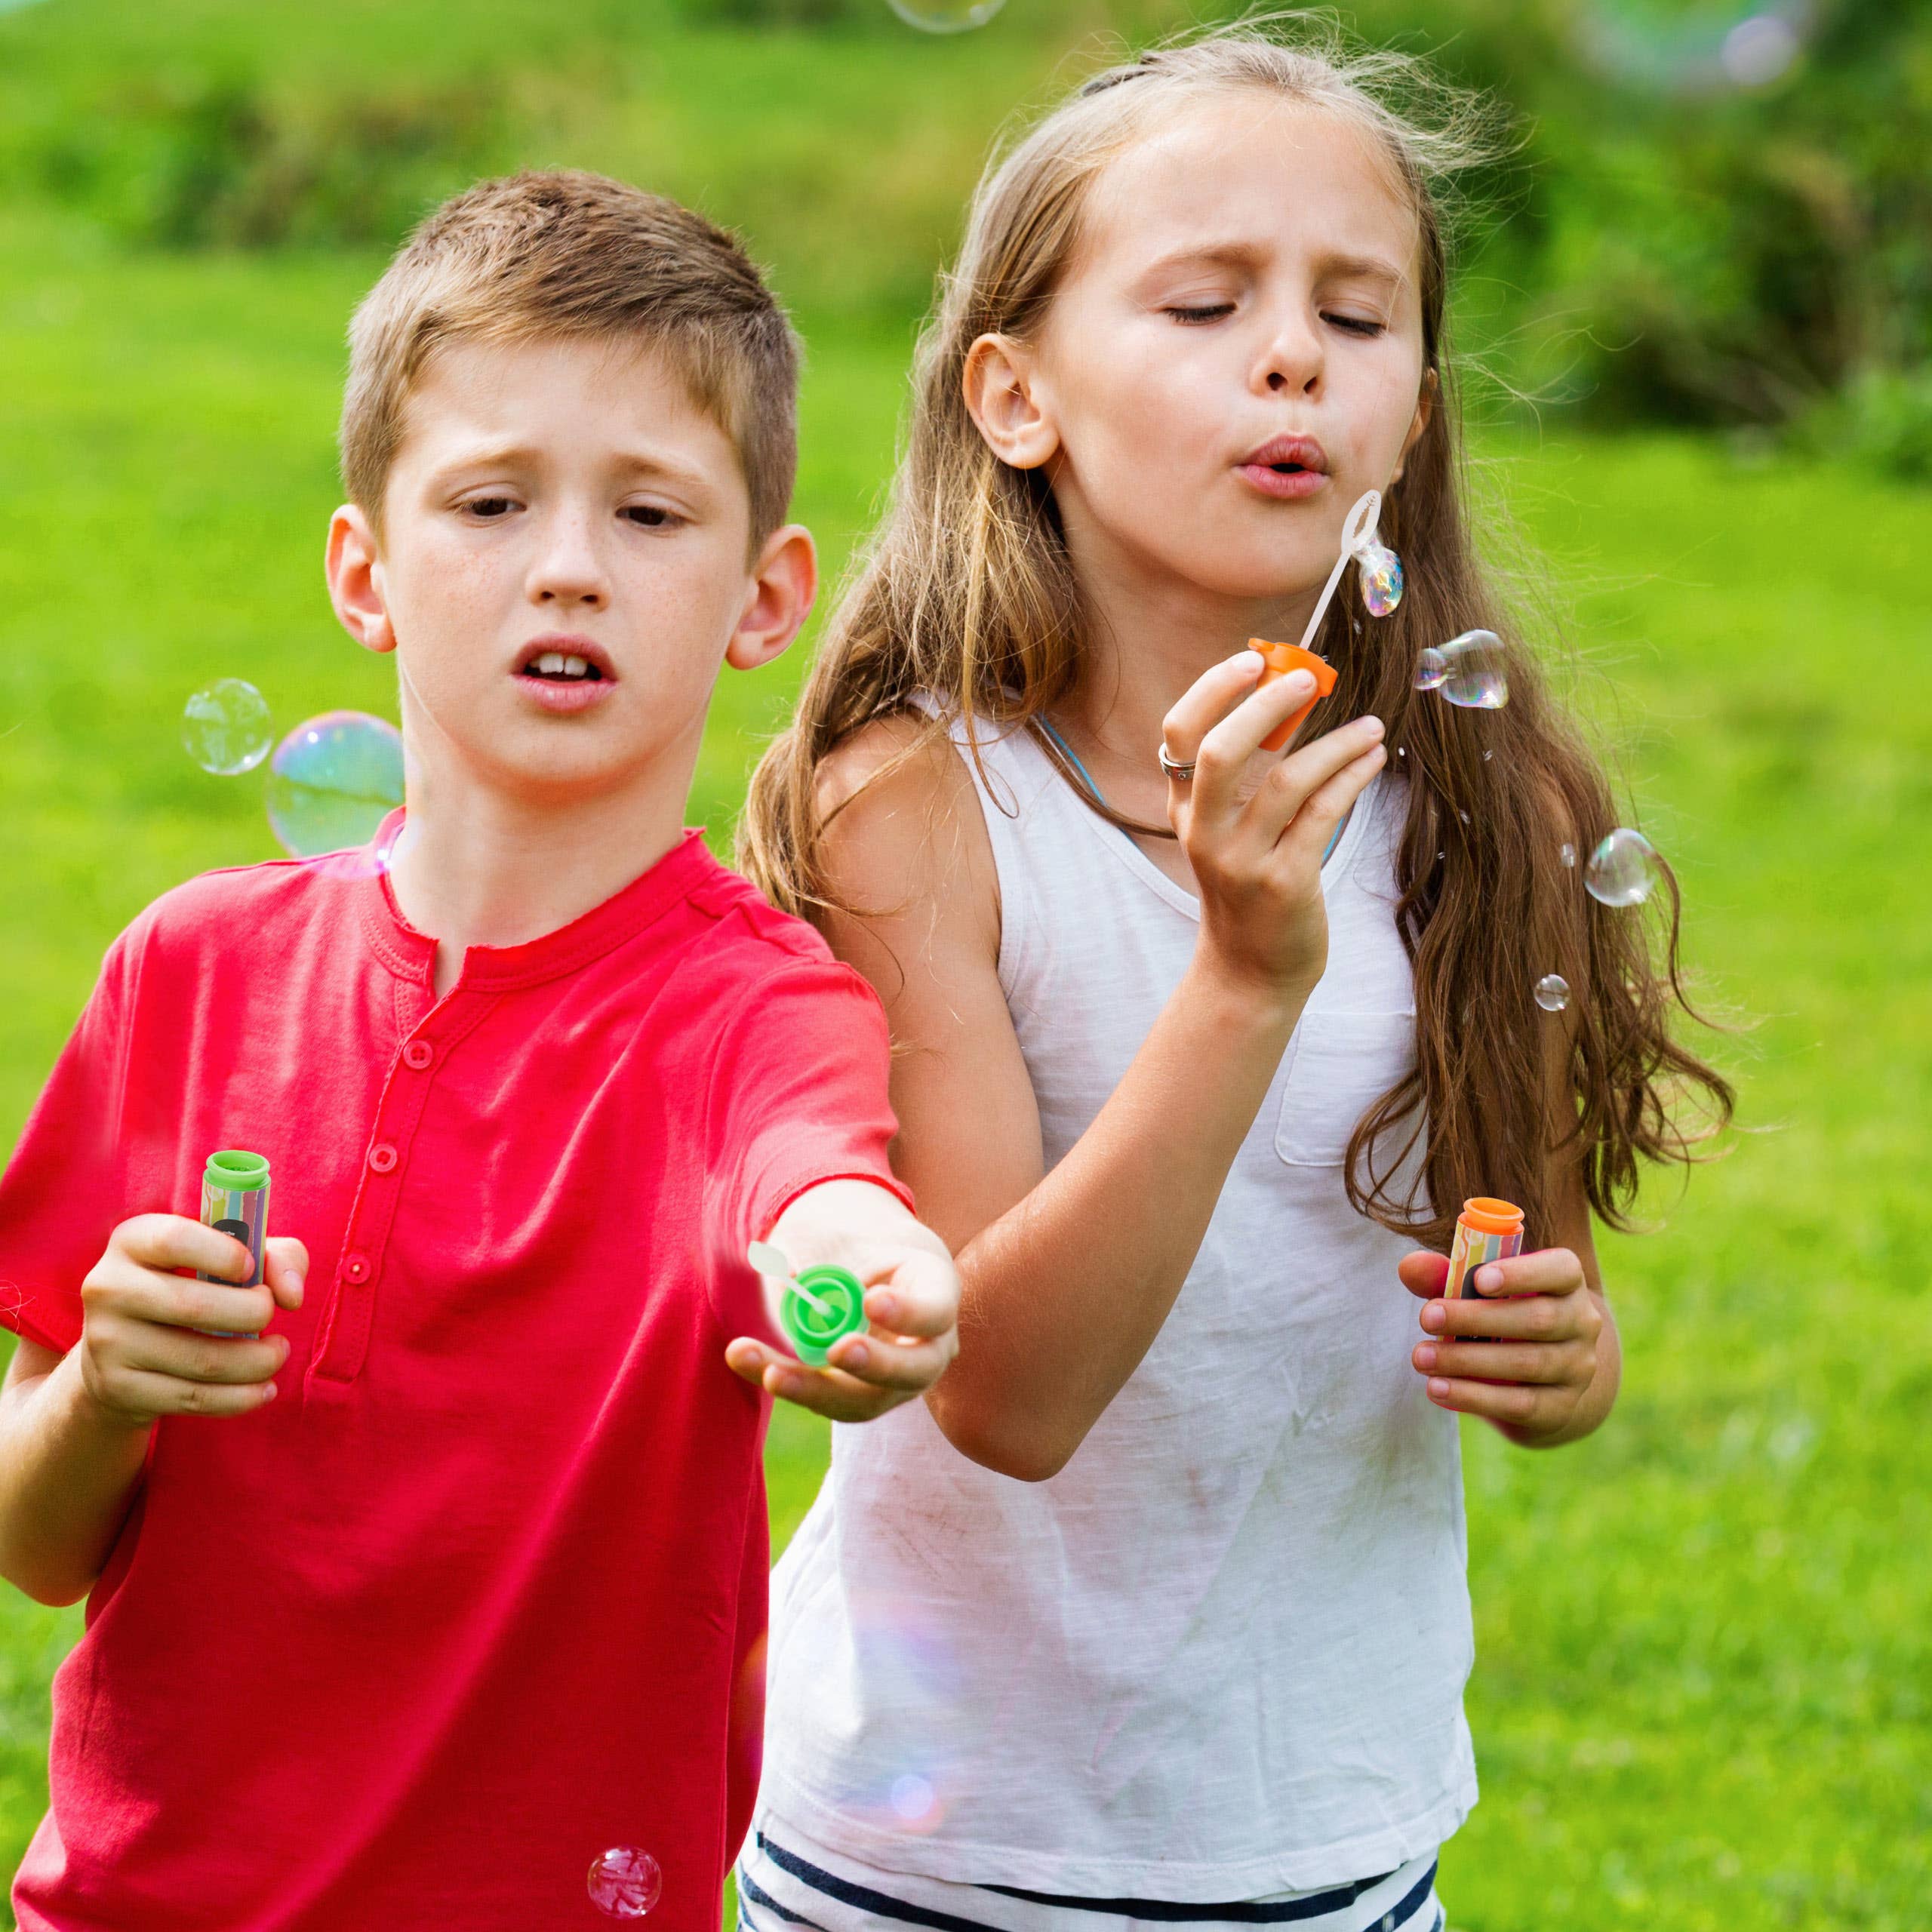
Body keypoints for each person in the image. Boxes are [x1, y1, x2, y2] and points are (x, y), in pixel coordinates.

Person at [734, 26, 1732, 1931]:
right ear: (1013, 396)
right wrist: (1239, 971)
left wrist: (1562, 1361)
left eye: (1354, 318)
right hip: (934, 1846)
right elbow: (1002, 1395)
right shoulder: (921, 813)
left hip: (1329, 1832)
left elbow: (1518, 1260)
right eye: (1202, 301)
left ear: (1412, 412)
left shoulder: (1473, 794)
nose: (1290, 354)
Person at [0, 168, 960, 1931]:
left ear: (765, 598)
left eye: (652, 514)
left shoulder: (756, 1006)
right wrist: (98, 1389)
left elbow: (814, 1185)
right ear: (364, 570)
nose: (570, 566)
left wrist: (866, 1271)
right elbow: (33, 1530)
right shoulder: (189, 969)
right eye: (493, 500)